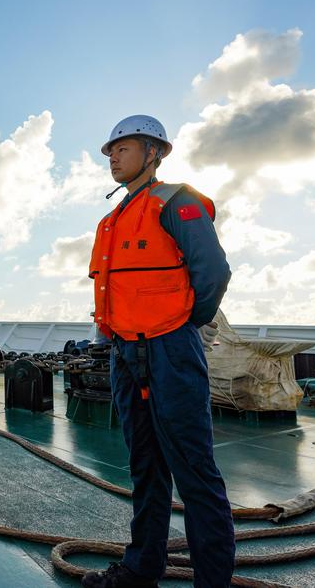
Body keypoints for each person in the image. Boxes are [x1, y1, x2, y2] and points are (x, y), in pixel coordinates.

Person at [82, 115, 235, 588]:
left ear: (154, 152)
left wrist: (181, 325)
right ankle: (140, 569)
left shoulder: (177, 202)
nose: (112, 156)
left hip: (170, 349)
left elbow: (212, 274)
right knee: (145, 468)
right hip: (125, 354)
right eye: (109, 150)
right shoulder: (112, 219)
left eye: (122, 148)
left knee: (194, 471)